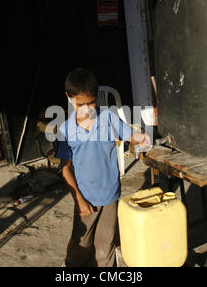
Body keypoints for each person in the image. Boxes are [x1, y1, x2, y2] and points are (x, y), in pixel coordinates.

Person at [56, 68, 151, 267]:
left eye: (91, 103)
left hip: (110, 197)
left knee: (105, 246)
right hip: (86, 200)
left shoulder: (108, 118)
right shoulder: (66, 131)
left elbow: (130, 136)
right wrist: (79, 200)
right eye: (80, 104)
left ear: (96, 98)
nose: (86, 109)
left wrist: (140, 138)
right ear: (69, 98)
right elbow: (65, 169)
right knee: (81, 247)